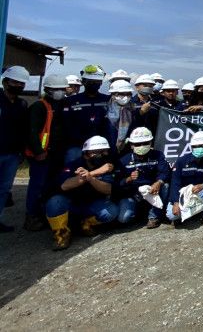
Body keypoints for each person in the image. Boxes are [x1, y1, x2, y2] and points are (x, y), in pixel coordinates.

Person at [45, 136, 119, 250]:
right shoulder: (74, 164)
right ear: (86, 154)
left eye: (105, 151)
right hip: (70, 204)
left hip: (91, 204)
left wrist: (90, 177)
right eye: (97, 152)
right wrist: (93, 173)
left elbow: (108, 189)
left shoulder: (106, 167)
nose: (103, 154)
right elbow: (65, 185)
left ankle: (85, 224)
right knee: (55, 202)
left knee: (112, 211)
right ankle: (61, 234)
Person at [25, 74, 69, 231]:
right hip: (41, 155)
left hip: (56, 154)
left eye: (63, 89)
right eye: (57, 89)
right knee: (37, 185)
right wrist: (38, 151)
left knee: (51, 185)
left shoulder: (61, 105)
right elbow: (32, 132)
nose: (61, 92)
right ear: (48, 90)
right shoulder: (39, 107)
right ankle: (32, 216)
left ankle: (46, 214)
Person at [116, 127, 170, 228]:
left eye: (145, 143)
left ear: (150, 143)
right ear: (131, 145)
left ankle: (154, 217)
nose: (142, 146)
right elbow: (118, 183)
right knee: (124, 218)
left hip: (153, 191)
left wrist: (158, 182)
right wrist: (129, 179)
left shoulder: (158, 155)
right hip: (133, 194)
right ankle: (139, 214)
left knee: (165, 186)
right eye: (137, 144)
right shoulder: (123, 160)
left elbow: (165, 172)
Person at [166, 130, 203, 226]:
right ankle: (187, 213)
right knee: (172, 216)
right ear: (192, 146)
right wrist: (175, 202)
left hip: (200, 192)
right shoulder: (181, 161)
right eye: (196, 146)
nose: (199, 148)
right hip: (183, 195)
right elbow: (175, 183)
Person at [0, 66, 30, 232]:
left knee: (4, 189)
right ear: (5, 82)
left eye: (21, 83)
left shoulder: (22, 104)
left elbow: (22, 130)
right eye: (14, 82)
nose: (18, 86)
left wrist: (21, 152)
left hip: (12, 154)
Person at [63, 65, 110, 164]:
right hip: (76, 146)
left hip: (101, 146)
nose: (93, 84)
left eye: (96, 82)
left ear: (101, 82)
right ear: (83, 81)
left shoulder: (107, 100)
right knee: (73, 174)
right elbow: (65, 125)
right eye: (90, 81)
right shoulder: (70, 101)